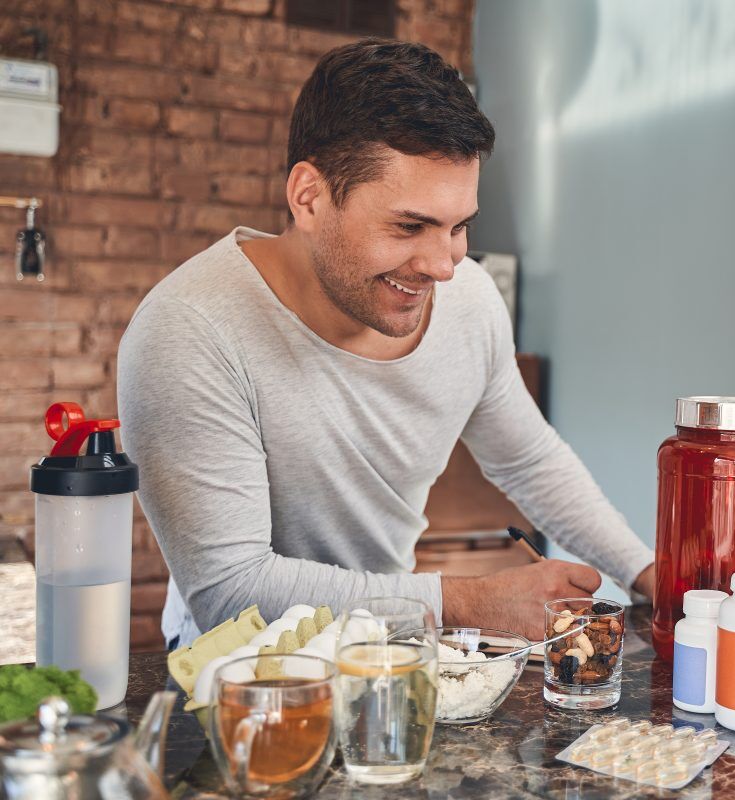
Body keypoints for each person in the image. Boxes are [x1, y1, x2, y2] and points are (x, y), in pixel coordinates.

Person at [117, 39, 655, 647]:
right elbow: (232, 591)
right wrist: (469, 602)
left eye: (459, 227)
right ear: (309, 197)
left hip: (393, 653)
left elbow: (529, 460)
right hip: (240, 681)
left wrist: (648, 572)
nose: (444, 265)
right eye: (409, 226)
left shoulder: (470, 301)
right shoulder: (189, 329)